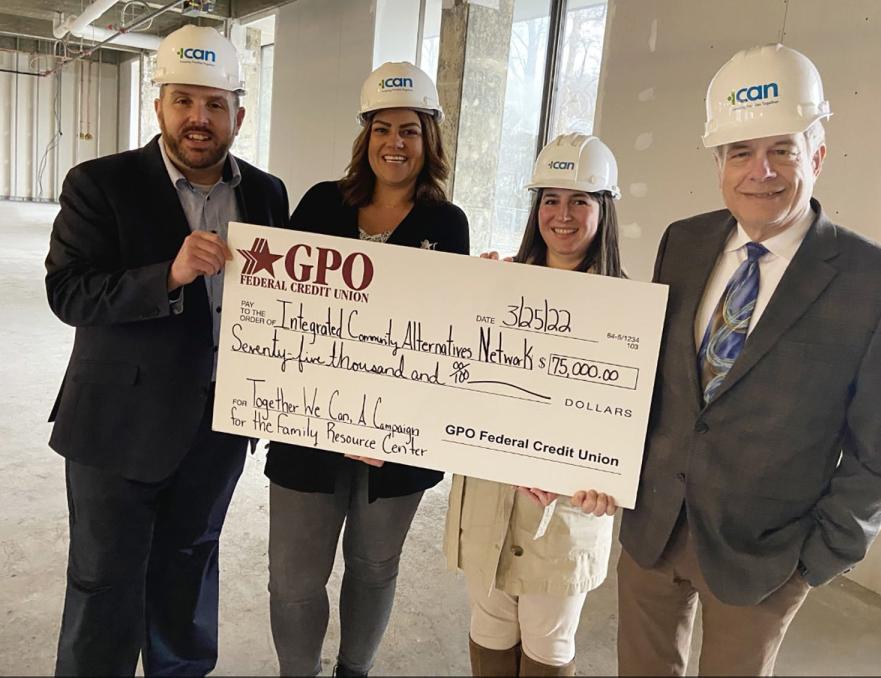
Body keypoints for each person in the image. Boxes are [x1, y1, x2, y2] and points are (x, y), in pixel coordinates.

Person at [616, 43, 881, 676]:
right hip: (651, 529)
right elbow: (645, 375)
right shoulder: (684, 242)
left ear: (816, 154)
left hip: (765, 558)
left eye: (781, 148)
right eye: (741, 151)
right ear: (718, 163)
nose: (761, 170)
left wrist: (814, 562)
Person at [44, 25, 289, 676]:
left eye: (214, 104)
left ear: (239, 112)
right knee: (104, 584)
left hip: (217, 428)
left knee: (189, 569)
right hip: (116, 429)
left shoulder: (267, 195)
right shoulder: (100, 184)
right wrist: (168, 276)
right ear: (159, 107)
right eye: (184, 101)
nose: (199, 119)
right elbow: (68, 294)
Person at [264, 61, 469, 678]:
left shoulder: (446, 223)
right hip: (309, 426)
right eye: (382, 128)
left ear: (428, 137)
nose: (395, 143)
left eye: (409, 129)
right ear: (366, 136)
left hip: (398, 442)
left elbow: (446, 330)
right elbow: (281, 309)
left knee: (375, 567)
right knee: (293, 578)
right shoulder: (323, 203)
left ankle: (354, 671)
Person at [444, 133, 623, 678]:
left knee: (548, 643)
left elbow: (625, 424)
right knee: (490, 627)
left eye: (579, 201)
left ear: (604, 210)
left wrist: (583, 475)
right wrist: (469, 296)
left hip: (566, 511)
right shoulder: (499, 286)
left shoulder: (627, 310)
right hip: (488, 497)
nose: (562, 215)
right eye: (550, 199)